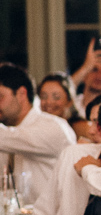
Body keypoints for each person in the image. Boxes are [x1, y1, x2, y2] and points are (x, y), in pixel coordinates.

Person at [0, 64, 77, 205]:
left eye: (0, 96)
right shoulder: (9, 131)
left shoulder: (53, 126)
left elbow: (9, 138)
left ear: (22, 94)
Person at [37, 72, 90, 139]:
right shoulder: (36, 127)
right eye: (43, 96)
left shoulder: (81, 128)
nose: (49, 102)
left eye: (56, 97)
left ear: (69, 101)